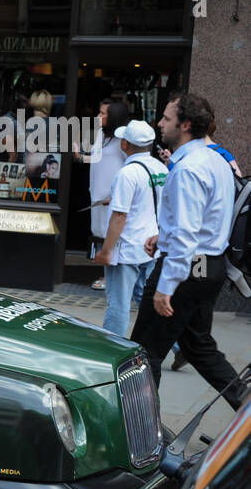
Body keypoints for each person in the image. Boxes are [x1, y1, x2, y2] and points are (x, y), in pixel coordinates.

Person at [130, 93, 245, 408]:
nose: (160, 123)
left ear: (186, 125)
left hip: (186, 270)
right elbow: (204, 219)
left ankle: (142, 436)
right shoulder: (215, 159)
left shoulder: (189, 168)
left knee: (143, 354)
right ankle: (246, 408)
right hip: (209, 267)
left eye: (166, 118)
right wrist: (163, 237)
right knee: (198, 346)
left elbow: (186, 233)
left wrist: (166, 286)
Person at [92, 120, 166, 337]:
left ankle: (109, 351)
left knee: (118, 305)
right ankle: (175, 345)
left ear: (125, 144)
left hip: (126, 248)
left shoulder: (127, 173)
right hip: (150, 245)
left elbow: (119, 216)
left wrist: (106, 251)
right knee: (146, 299)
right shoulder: (160, 168)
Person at [87, 100, 130, 289]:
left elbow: (130, 166)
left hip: (111, 196)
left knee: (112, 233)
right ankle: (105, 273)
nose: (99, 116)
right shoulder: (100, 135)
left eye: (103, 113)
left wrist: (118, 194)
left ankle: (110, 277)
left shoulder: (124, 142)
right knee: (99, 233)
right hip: (97, 193)